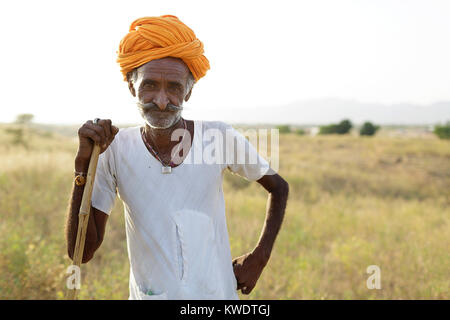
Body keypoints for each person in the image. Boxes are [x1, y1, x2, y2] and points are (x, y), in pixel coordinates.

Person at [65, 15, 289, 300]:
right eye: (149, 86)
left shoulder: (217, 137)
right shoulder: (115, 148)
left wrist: (259, 257)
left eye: (174, 87)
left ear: (189, 91)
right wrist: (83, 167)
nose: (161, 100)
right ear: (132, 87)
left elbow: (279, 187)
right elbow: (80, 253)